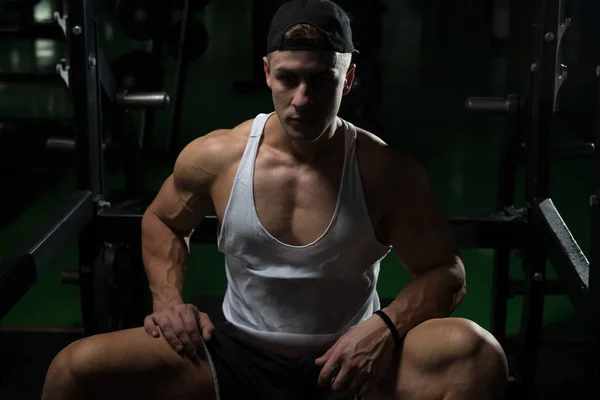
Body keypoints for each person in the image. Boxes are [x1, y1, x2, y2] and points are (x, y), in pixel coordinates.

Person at [42, 1, 508, 399]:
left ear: (348, 80)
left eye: (322, 80)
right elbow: (163, 221)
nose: (302, 99)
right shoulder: (218, 157)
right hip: (233, 355)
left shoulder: (385, 172)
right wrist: (167, 299)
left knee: (478, 355)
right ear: (267, 73)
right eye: (288, 78)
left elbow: (446, 272)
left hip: (349, 358)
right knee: (73, 371)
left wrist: (382, 330)